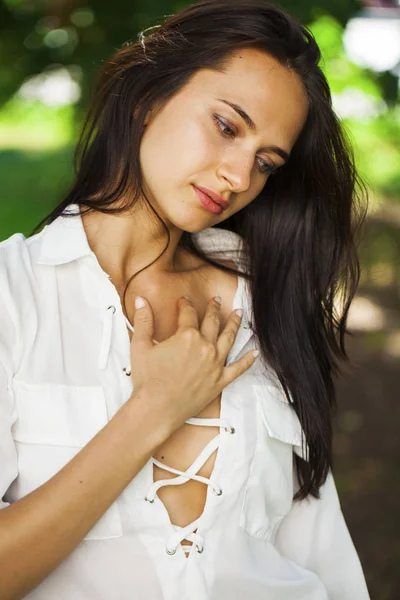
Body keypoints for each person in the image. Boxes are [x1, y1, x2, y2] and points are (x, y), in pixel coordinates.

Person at [0, 0, 371, 598]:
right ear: (149, 94)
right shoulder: (13, 295)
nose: (239, 177)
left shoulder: (261, 301)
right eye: (227, 126)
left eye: (266, 163)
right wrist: (155, 409)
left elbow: (319, 547)